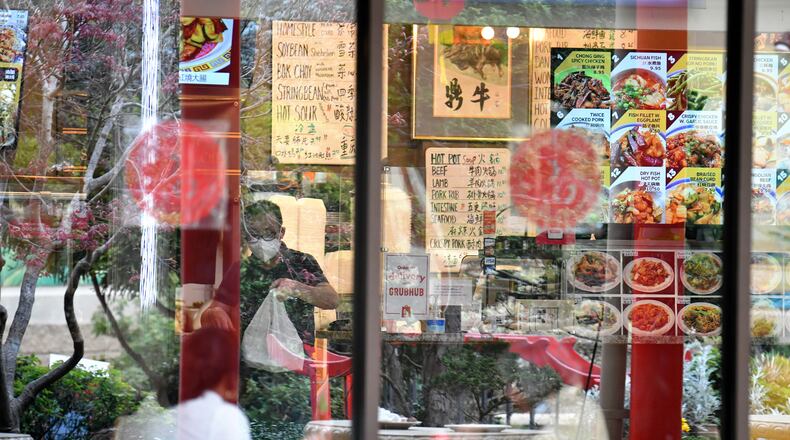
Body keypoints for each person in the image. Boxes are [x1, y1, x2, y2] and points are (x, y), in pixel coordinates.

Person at [201, 199, 339, 340]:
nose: (261, 241)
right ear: (245, 235)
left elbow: (332, 300)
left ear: (281, 233)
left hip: (295, 351)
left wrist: (298, 288)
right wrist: (212, 314)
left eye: (269, 234)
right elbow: (214, 309)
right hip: (251, 351)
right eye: (254, 234)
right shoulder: (240, 270)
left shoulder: (301, 262)